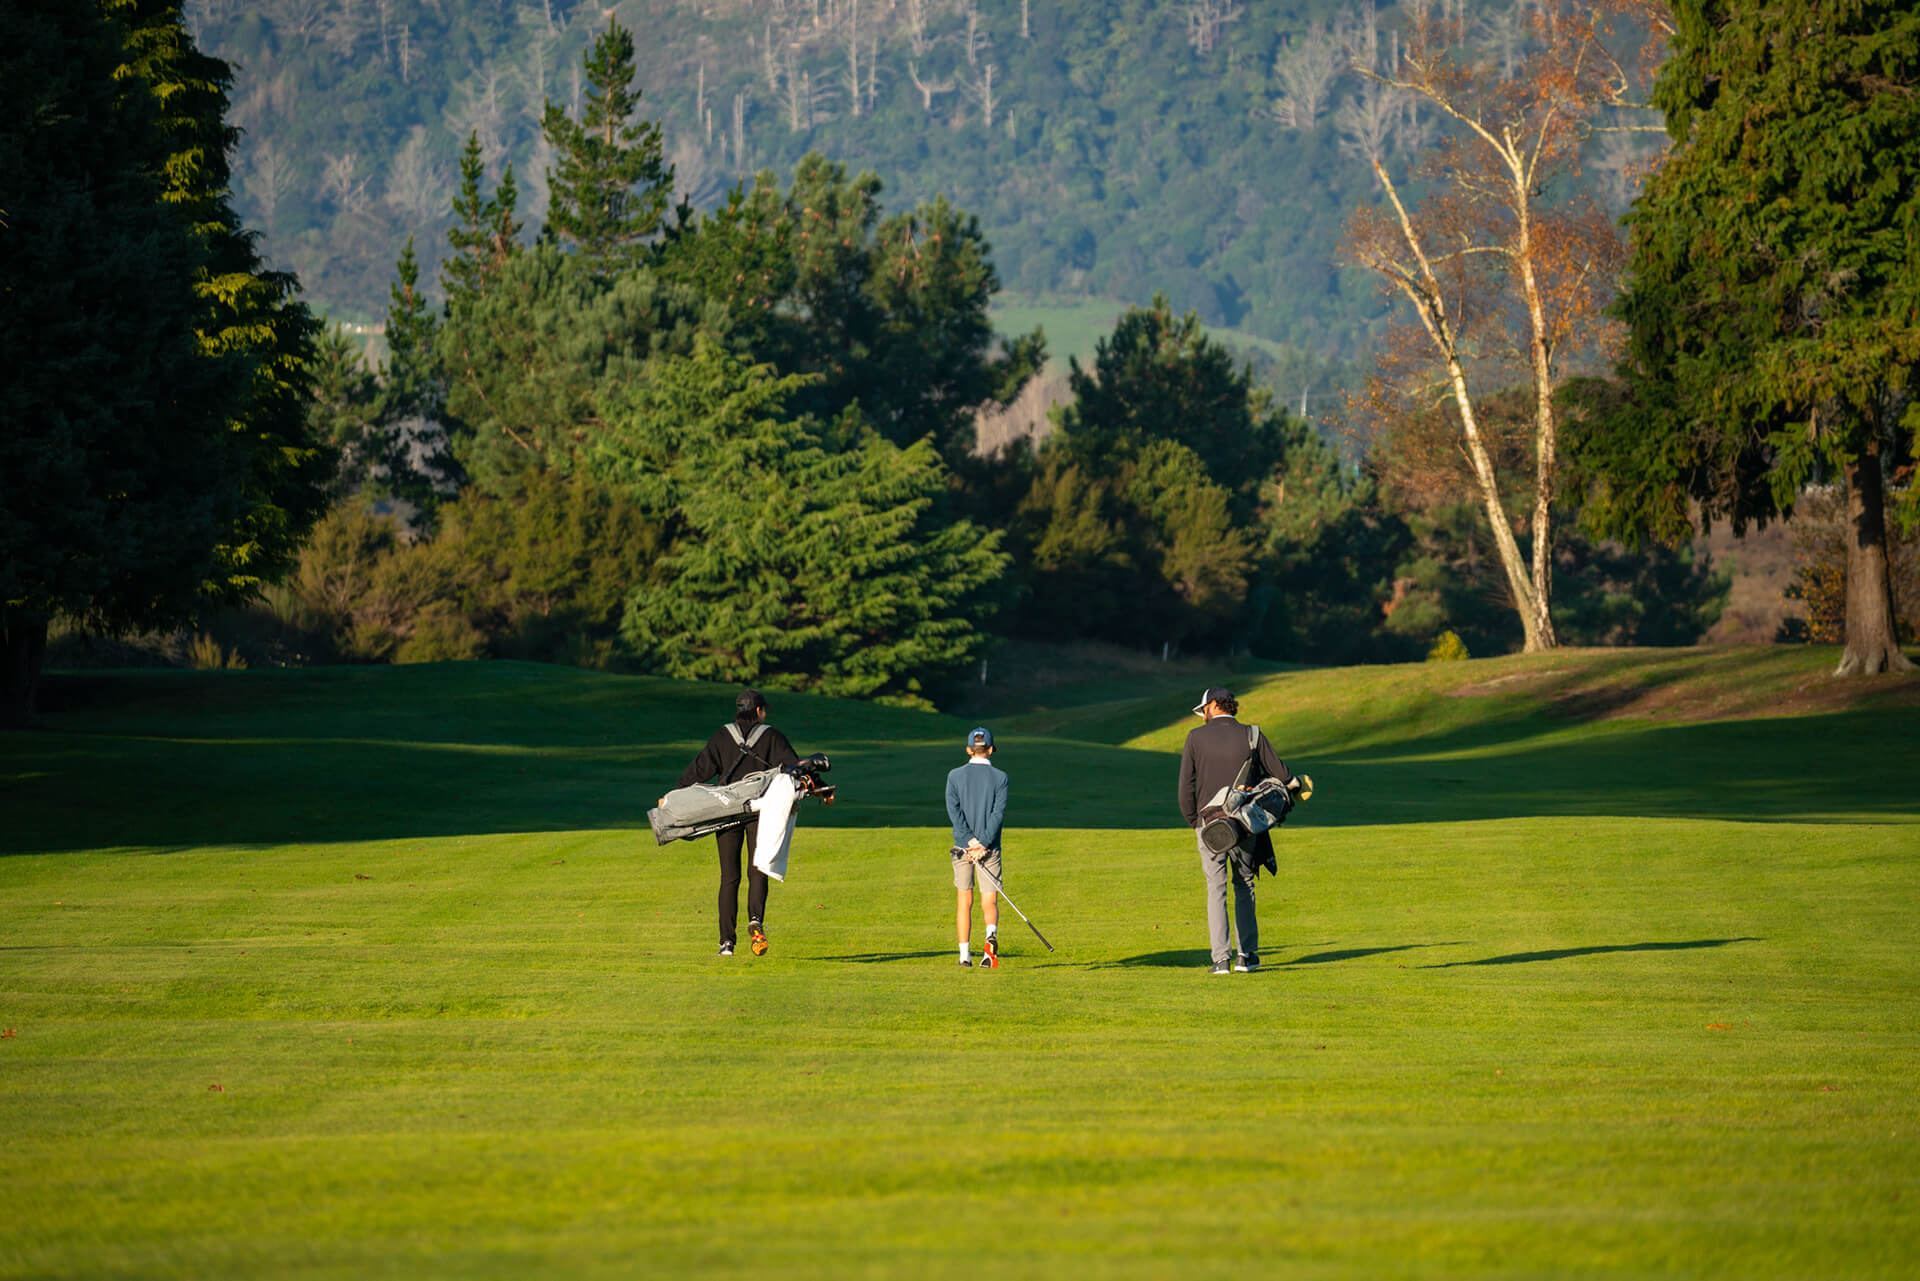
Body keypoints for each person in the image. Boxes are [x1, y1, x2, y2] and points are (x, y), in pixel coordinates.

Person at [1176, 685, 1296, 976]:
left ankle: (1220, 961)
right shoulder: (1252, 734)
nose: (1203, 714)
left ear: (1215, 705)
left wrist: (1195, 821)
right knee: (1245, 884)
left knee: (1215, 889)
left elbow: (1185, 788)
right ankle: (1247, 956)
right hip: (1246, 825)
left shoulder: (1195, 738)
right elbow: (1283, 776)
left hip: (1209, 824)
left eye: (1204, 708)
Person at [674, 689, 801, 958]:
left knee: (729, 878)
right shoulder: (772, 735)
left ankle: (726, 943)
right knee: (758, 870)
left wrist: (675, 796)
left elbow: (699, 769)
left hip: (727, 812)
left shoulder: (722, 736)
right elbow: (794, 768)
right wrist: (822, 790)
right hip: (759, 813)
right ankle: (755, 921)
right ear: (758, 711)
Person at [945, 726, 1010, 969]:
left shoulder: (954, 776)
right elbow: (997, 814)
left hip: (963, 848)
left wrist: (970, 842)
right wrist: (983, 843)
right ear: (991, 750)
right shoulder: (1001, 778)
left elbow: (955, 813)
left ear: (969, 749)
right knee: (989, 900)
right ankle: (989, 945)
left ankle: (964, 955)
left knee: (965, 900)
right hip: (989, 848)